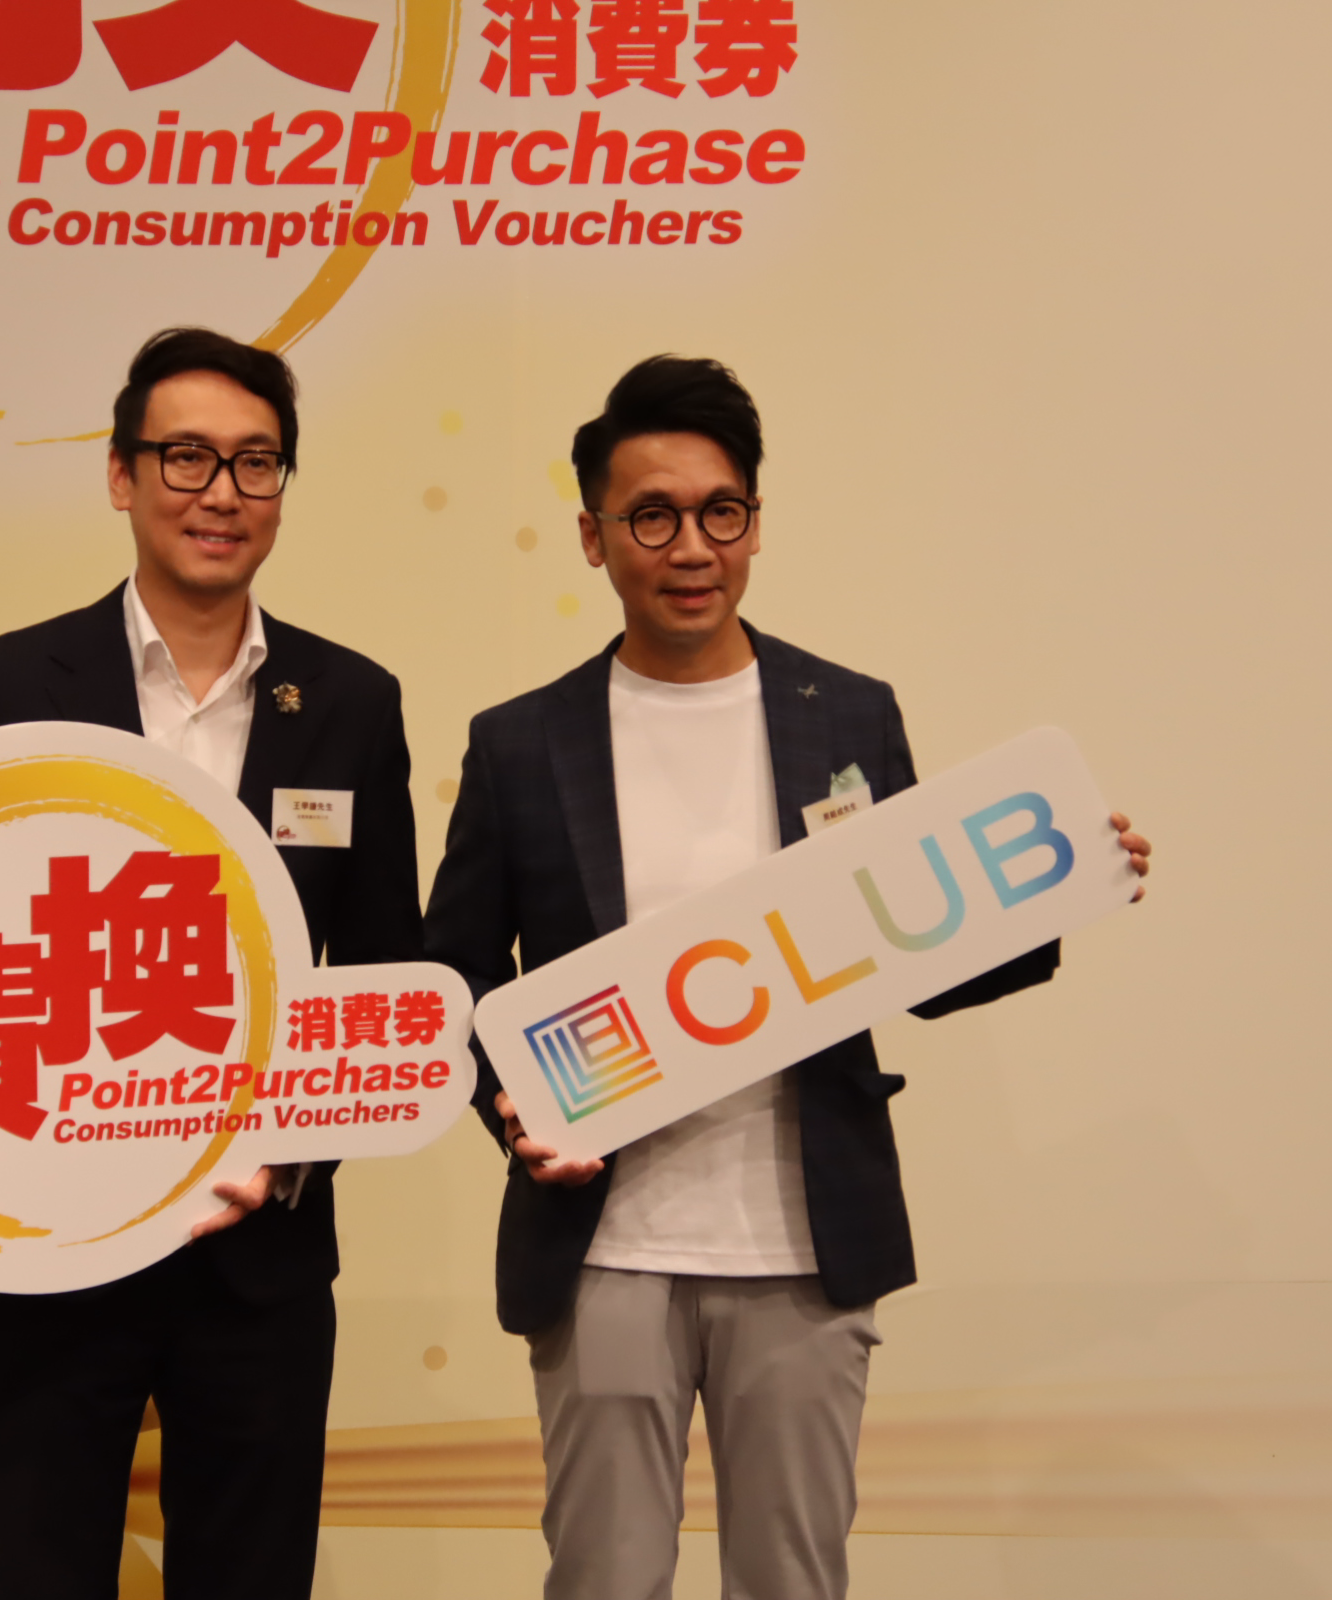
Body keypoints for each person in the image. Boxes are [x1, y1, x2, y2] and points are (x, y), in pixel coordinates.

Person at [421, 356, 1153, 1599]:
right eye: (653, 516)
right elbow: (459, 975)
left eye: (722, 511)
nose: (692, 547)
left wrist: (1062, 887)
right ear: (594, 537)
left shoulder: (848, 714)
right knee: (602, 1579)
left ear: (756, 523)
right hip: (603, 1246)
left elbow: (920, 950)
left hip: (807, 1245)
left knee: (793, 1580)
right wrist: (516, 1110)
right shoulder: (521, 741)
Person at [0, 328, 422, 1599]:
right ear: (121, 475)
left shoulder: (351, 702)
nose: (220, 492)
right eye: (187, 457)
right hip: (51, 1249)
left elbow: (382, 974)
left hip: (257, 1254)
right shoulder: (13, 680)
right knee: (44, 1572)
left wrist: (289, 1155)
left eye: (255, 462)